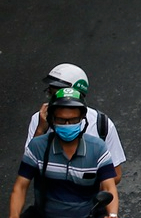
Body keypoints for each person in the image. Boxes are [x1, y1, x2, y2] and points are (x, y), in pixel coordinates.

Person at [10, 85, 118, 218]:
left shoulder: (98, 148)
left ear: (82, 118)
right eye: (61, 120)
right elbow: (20, 187)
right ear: (52, 119)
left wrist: (112, 215)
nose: (67, 124)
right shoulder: (37, 146)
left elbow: (109, 187)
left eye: (73, 120)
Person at [22, 68, 124, 183]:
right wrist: (40, 129)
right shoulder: (39, 119)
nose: (54, 100)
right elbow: (28, 168)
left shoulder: (102, 124)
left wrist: (82, 186)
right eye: (51, 93)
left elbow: (116, 174)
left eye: (58, 94)